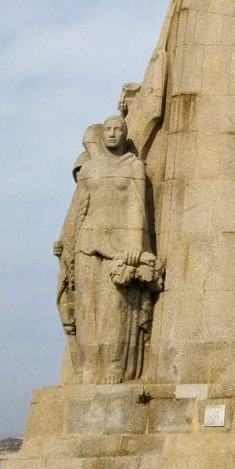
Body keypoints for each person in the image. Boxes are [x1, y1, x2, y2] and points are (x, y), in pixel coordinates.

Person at [54, 114, 162, 384]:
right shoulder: (89, 169)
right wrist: (65, 240)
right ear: (102, 135)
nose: (113, 133)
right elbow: (77, 209)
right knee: (86, 308)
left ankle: (115, 366)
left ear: (126, 134)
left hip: (120, 249)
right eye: (109, 129)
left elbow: (138, 207)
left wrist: (136, 246)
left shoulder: (134, 166)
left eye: (118, 129)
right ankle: (89, 368)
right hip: (87, 245)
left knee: (115, 310)